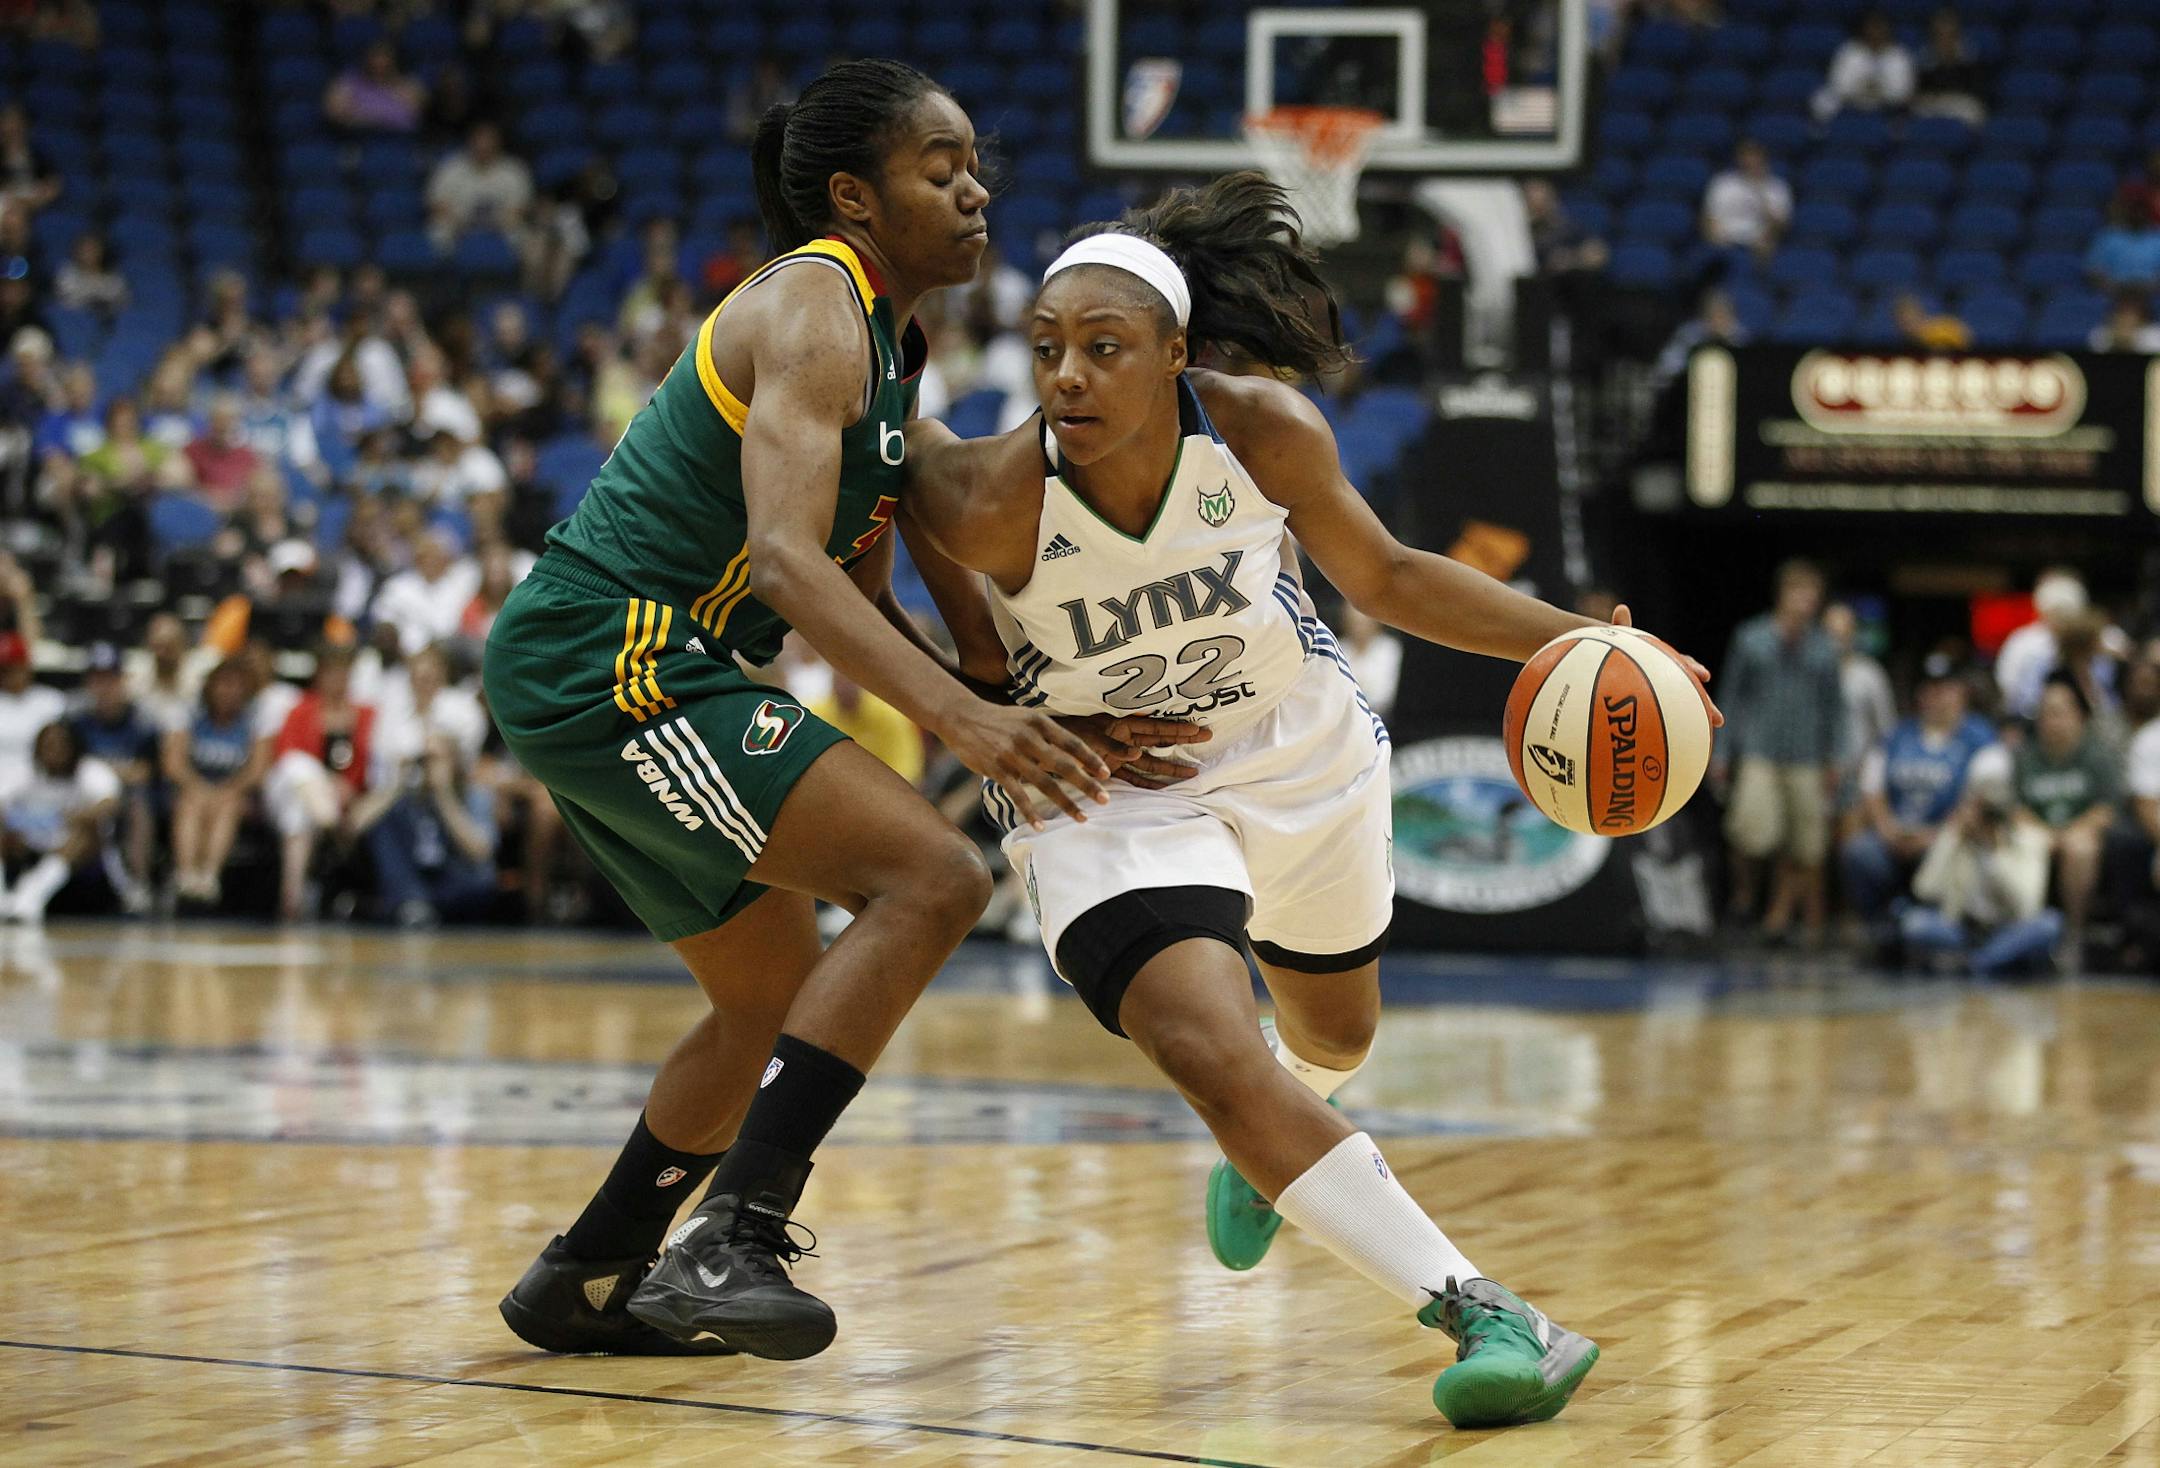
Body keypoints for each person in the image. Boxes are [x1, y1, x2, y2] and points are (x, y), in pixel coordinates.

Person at [899, 174, 1719, 1429]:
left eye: (1104, 350)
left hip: (1293, 743)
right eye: (1048, 348)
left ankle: (1289, 1127)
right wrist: (1001, 711)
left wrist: (1598, 643)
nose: (1068, 375)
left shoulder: (1262, 431)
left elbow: (1388, 574)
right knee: (1208, 1049)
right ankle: (1487, 1308)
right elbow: (876, 555)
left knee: (1331, 1039)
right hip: (1109, 793)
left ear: (1176, 355)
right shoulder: (990, 493)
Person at [482, 61, 1139, 1364]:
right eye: (940, 168)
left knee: (770, 995)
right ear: (854, 195)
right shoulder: (813, 304)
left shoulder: (894, 339)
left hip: (653, 662)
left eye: (976, 163)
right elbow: (785, 563)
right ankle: (736, 1236)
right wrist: (967, 723)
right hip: (617, 653)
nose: (975, 189)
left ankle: (593, 1270)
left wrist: (1002, 690)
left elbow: (854, 582)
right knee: (934, 877)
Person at [1716, 561, 1842, 943]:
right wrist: (1722, 751)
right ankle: (1744, 896)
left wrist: (1834, 756)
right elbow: (1732, 697)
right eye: (1799, 592)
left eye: (1813, 595)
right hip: (1759, 749)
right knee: (1751, 831)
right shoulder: (1751, 638)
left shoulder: (1824, 648)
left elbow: (1834, 707)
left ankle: (1778, 915)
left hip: (1805, 753)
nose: (1806, 601)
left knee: (1802, 843)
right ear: (1783, 593)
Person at [1842, 654, 1998, 922]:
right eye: (1929, 689)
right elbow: (1872, 787)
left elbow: (1982, 797)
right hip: (1897, 834)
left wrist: (1936, 835)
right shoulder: (1899, 734)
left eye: (1944, 689)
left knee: (1949, 853)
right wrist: (1887, 829)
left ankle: (1937, 927)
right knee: (1859, 852)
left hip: (1948, 838)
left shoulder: (1979, 737)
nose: (1936, 697)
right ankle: (1881, 929)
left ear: (1961, 693)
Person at [1900, 746, 2061, 976]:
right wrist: (1953, 841)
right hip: (1963, 928)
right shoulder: (1957, 834)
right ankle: (1990, 961)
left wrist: (1993, 852)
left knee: (2048, 925)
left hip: (2008, 928)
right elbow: (1924, 889)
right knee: (1914, 923)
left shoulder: (2029, 839)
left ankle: (1976, 963)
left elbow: (2027, 906)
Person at [265, 643, 375, 922]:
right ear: (319, 675)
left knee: (297, 815)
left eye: (343, 673)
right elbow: (286, 755)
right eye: (331, 673)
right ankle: (329, 822)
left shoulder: (365, 714)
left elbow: (367, 766)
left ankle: (292, 898)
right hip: (301, 788)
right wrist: (328, 782)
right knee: (299, 769)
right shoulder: (300, 710)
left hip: (328, 801)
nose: (337, 680)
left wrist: (346, 788)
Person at [347, 729, 495, 926]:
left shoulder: (474, 795)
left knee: (483, 879)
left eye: (436, 759)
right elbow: (354, 826)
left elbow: (480, 852)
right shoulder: (405, 797)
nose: (428, 766)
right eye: (424, 759)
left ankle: (425, 908)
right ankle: (414, 906)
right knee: (384, 823)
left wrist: (444, 794)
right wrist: (395, 785)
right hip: (410, 882)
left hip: (454, 878)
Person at [2014, 675, 2118, 955]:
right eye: (2045, 713)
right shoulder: (2026, 756)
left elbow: (2107, 808)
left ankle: (2074, 933)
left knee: (2080, 848)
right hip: (2038, 832)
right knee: (2026, 842)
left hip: (2080, 833)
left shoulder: (2097, 755)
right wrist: (2045, 833)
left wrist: (2069, 832)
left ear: (2079, 716)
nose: (2051, 721)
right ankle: (2022, 930)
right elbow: (2015, 808)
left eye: (2059, 713)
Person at [162, 656, 267, 911]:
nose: (229, 692)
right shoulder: (191, 715)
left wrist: (229, 789)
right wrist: (198, 787)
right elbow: (173, 764)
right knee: (190, 802)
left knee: (228, 804)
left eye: (235, 685)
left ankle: (209, 876)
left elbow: (257, 769)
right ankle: (186, 876)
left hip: (236, 795)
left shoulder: (254, 721)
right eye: (223, 684)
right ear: (210, 687)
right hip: (193, 789)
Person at [66, 642, 160, 911]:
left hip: (128, 795)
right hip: (82, 793)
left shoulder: (142, 721)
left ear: (122, 680)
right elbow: (67, 765)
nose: (104, 687)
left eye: (110, 678)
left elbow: (144, 772)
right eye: (97, 679)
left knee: (139, 804)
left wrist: (103, 769)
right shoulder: (75, 720)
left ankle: (138, 882)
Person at [0, 719, 119, 921]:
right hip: (28, 844)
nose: (54, 751)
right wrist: (20, 822)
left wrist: (69, 817)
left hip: (73, 851)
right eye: (48, 746)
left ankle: (34, 892)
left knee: (88, 831)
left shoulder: (90, 770)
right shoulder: (23, 771)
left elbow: (109, 804)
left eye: (61, 746)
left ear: (73, 747)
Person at [1997, 569, 2099, 723]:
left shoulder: (2101, 637)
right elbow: (2008, 686)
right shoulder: (2023, 642)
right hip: (2031, 720)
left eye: (2066, 613)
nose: (2060, 619)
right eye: (2055, 612)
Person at [425, 121, 534, 254]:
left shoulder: (514, 169)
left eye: (488, 140)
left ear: (497, 143)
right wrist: (460, 223)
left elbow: (520, 208)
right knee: (438, 232)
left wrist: (495, 225)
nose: (483, 145)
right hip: (457, 224)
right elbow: (436, 204)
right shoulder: (450, 167)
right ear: (470, 142)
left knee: (522, 234)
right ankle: (441, 272)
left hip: (501, 226)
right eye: (479, 140)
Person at [1814, 10, 1915, 121]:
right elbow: (1838, 83)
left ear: (1888, 29)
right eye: (1872, 27)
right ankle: (1821, 131)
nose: (1876, 32)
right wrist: (1863, 87)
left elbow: (1903, 89)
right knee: (1823, 99)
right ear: (1864, 29)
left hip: (1887, 106)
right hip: (1851, 101)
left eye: (1880, 27)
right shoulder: (1850, 51)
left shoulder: (1899, 54)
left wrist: (1879, 89)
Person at [1700, 139, 1792, 259]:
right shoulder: (1722, 182)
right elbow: (1708, 217)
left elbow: (1781, 225)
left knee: (1769, 247)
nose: (1750, 161)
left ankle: (1759, 276)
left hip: (1758, 243)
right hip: (1724, 240)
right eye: (1746, 156)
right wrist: (1714, 237)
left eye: (1754, 156)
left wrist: (1760, 191)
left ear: (1763, 158)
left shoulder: (1777, 187)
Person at [0, 628, 63, 791]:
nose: (7, 675)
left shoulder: (51, 701)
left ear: (26, 666)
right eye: (3, 669)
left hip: (42, 785)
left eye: (14, 667)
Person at [324, 40, 425, 134]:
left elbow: (418, 114)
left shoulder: (408, 84)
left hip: (401, 141)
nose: (380, 62)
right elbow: (334, 113)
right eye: (375, 57)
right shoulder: (348, 81)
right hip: (358, 142)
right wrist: (374, 120)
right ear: (367, 59)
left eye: (384, 57)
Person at [1913, 8, 1987, 125]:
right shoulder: (1925, 58)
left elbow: (1977, 90)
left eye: (1949, 34)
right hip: (1934, 101)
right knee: (1917, 111)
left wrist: (1953, 61)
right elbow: (1920, 89)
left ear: (1957, 35)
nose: (1945, 39)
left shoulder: (1971, 57)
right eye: (1940, 34)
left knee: (1973, 110)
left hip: (1961, 101)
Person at [2085, 197, 2160, 295]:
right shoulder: (2107, 236)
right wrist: (2109, 286)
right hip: (2114, 292)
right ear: (2127, 213)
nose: (2138, 215)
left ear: (2147, 214)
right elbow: (2093, 269)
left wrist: (2154, 286)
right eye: (2134, 211)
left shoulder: (2157, 237)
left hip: (2151, 292)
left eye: (2142, 212)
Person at [1893, 292, 1970, 352]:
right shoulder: (1905, 346)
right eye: (1901, 322)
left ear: (1919, 314)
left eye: (1909, 319)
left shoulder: (1946, 328)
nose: (1906, 326)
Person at [2091, 293, 2160, 354]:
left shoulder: (2154, 334)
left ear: (2141, 317)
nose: (2126, 318)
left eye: (2131, 314)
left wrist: (2130, 341)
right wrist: (2115, 342)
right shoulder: (2101, 333)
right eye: (2122, 313)